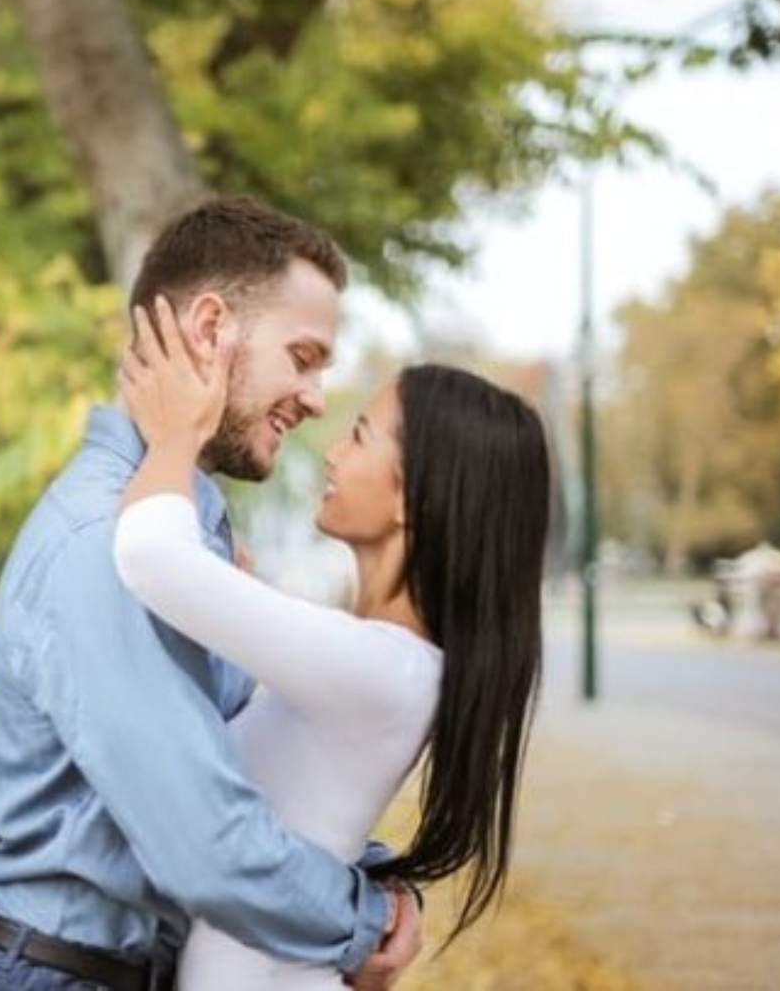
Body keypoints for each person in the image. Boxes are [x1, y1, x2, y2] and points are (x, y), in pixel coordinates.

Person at [0, 197, 422, 991]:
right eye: (303, 356)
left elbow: (239, 766)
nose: (316, 396)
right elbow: (209, 845)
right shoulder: (106, 543)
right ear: (208, 331)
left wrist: (378, 878)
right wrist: (359, 918)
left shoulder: (183, 524)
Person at [112, 299, 550, 989]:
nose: (333, 452)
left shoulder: (382, 669)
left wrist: (176, 436)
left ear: (414, 498)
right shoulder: (382, 662)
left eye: (362, 436)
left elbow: (147, 555)